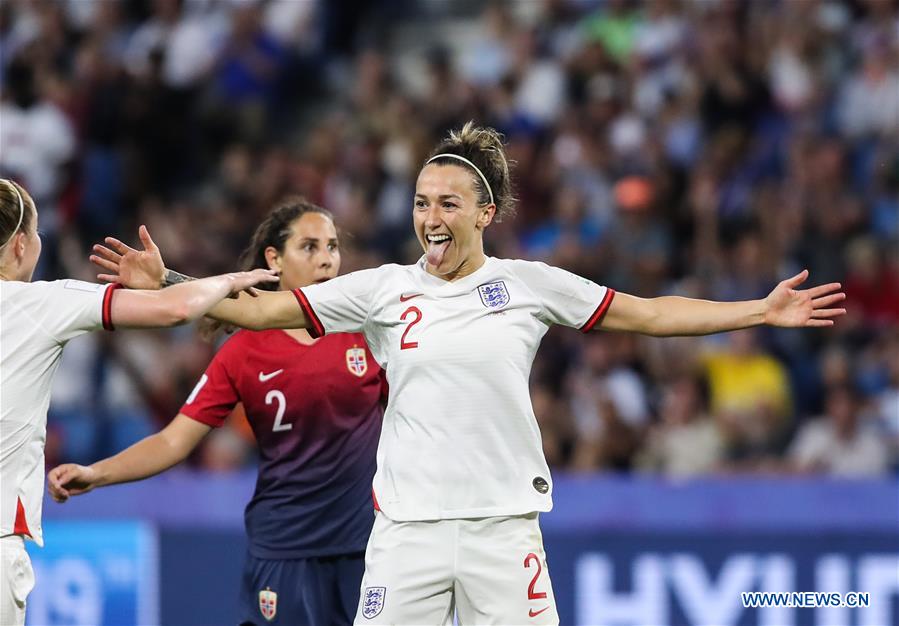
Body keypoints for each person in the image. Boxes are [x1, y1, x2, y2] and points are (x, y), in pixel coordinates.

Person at [83, 123, 846, 625]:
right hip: (405, 534)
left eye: (447, 202)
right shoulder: (381, 290)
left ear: (485, 213)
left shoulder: (531, 285)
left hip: (501, 527)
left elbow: (647, 315)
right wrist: (173, 280)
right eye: (420, 203)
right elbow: (258, 309)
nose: (430, 217)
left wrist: (756, 311)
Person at [48, 199, 385, 626]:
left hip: (367, 551)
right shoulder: (243, 352)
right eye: (310, 247)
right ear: (274, 259)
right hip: (284, 552)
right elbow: (174, 440)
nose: (326, 260)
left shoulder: (368, 335)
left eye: (333, 247)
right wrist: (98, 473)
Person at [0, 178, 276, 626]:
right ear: (18, 246)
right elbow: (174, 310)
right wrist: (229, 280)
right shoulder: (41, 302)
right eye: (36, 235)